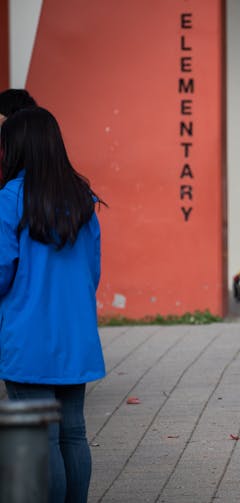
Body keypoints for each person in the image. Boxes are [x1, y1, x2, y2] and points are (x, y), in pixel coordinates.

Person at [0, 107, 105, 502]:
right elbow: (91, 272)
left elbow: (1, 271)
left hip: (27, 334)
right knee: (73, 432)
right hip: (74, 332)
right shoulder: (81, 198)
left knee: (41, 435)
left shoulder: (9, 199)